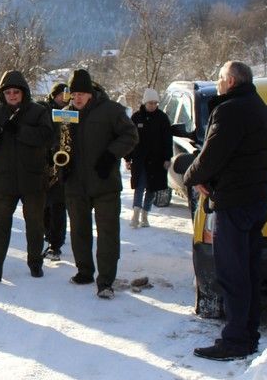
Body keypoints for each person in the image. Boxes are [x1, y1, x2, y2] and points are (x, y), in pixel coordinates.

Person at [184, 61, 267, 360]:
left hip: (234, 202)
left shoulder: (230, 110)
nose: (218, 83)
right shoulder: (259, 106)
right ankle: (248, 334)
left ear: (232, 81)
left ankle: (235, 340)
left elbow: (212, 155)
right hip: (257, 198)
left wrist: (192, 177)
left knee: (232, 273)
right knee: (248, 272)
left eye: (221, 78)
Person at [61, 69, 139, 298]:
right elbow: (57, 141)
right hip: (76, 184)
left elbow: (131, 135)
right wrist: (60, 160)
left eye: (82, 94)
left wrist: (110, 155)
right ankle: (84, 271)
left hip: (105, 184)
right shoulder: (65, 114)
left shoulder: (111, 110)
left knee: (107, 233)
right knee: (78, 231)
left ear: (91, 93)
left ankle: (105, 281)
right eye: (73, 94)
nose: (77, 98)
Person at [0, 71, 56, 282]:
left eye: (16, 92)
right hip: (4, 179)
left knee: (35, 224)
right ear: (3, 94)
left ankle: (35, 263)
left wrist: (19, 130)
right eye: (8, 92)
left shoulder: (38, 112)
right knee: (0, 224)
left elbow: (47, 137)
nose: (12, 95)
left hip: (33, 178)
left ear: (23, 93)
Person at [127, 87, 172, 228]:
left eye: (155, 103)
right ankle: (135, 214)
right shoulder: (136, 117)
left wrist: (167, 158)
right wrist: (127, 158)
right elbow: (128, 138)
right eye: (150, 103)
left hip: (157, 160)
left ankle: (145, 215)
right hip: (140, 159)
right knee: (139, 186)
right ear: (145, 102)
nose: (152, 106)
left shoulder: (162, 118)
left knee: (152, 189)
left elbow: (167, 139)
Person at [41, 82, 70, 260]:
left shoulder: (70, 112)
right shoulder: (44, 110)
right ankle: (48, 234)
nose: (64, 97)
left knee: (59, 206)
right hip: (44, 163)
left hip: (61, 163)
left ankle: (56, 243)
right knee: (44, 206)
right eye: (61, 94)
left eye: (66, 94)